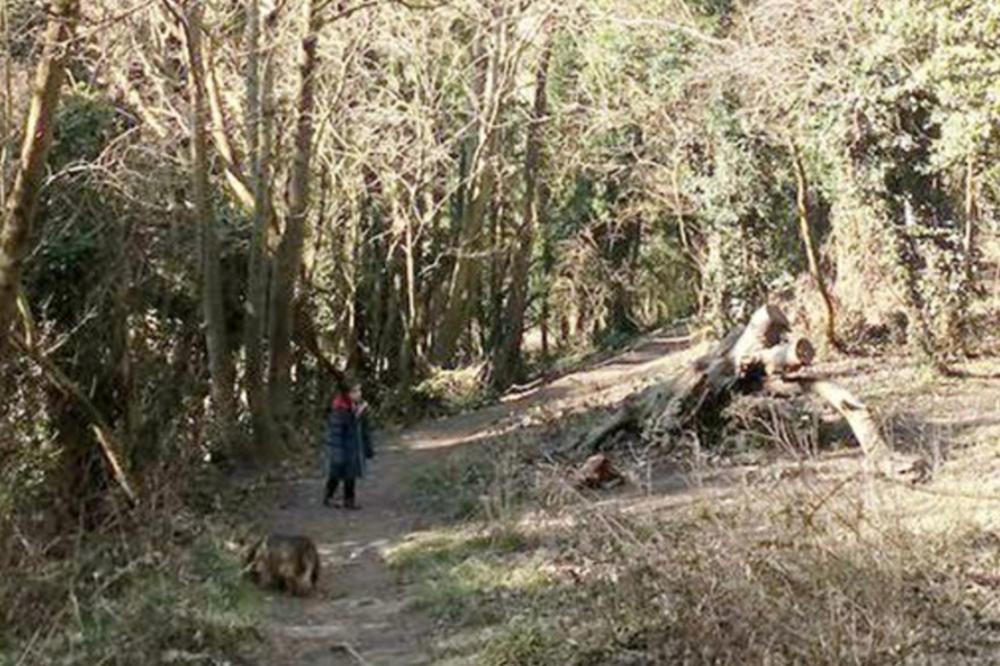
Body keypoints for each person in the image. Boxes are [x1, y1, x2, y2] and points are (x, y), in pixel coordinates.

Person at [322, 383, 373, 510]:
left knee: (351, 474)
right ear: (348, 394)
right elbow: (343, 428)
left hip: (352, 447)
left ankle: (349, 500)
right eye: (355, 391)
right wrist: (357, 414)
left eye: (359, 391)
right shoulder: (340, 408)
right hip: (341, 446)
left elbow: (360, 428)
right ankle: (329, 497)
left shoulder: (352, 406)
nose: (359, 394)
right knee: (336, 473)